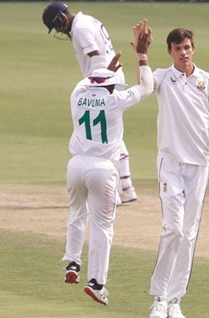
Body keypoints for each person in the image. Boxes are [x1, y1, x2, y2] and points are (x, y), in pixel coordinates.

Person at [61, 20, 153, 305]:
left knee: (77, 214)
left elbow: (89, 82)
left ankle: (72, 263)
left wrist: (104, 72)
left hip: (75, 165)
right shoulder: (116, 99)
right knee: (103, 226)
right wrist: (141, 55)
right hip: (102, 168)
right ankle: (97, 282)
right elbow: (147, 87)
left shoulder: (76, 96)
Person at [147, 28, 209, 318]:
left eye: (187, 47)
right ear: (170, 52)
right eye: (177, 48)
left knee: (188, 233)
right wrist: (141, 56)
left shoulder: (207, 81)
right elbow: (145, 85)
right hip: (170, 162)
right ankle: (158, 299)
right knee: (172, 229)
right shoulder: (162, 77)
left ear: (193, 48)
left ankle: (175, 300)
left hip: (199, 165)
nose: (183, 52)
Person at [43, 1, 138, 204]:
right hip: (109, 79)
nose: (58, 30)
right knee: (110, 131)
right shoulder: (88, 20)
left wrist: (98, 83)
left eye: (56, 25)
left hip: (105, 80)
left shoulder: (80, 27)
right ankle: (125, 186)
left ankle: (119, 189)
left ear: (61, 17)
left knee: (104, 134)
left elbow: (96, 56)